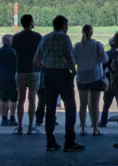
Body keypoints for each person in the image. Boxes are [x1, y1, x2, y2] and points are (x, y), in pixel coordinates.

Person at [34, 16, 83, 151]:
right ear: (63, 26)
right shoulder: (64, 38)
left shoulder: (45, 38)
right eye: (67, 25)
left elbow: (36, 61)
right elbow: (68, 54)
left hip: (49, 75)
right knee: (70, 107)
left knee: (50, 108)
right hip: (63, 74)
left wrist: (46, 68)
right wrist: (73, 70)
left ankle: (50, 141)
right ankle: (69, 141)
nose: (67, 28)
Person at [73, 25, 108, 136]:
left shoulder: (77, 46)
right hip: (95, 77)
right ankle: (95, 128)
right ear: (92, 33)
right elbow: (105, 59)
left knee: (83, 104)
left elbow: (74, 60)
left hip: (81, 77)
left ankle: (83, 128)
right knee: (95, 104)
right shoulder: (98, 45)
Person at [13, 14, 42, 135]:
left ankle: (20, 126)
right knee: (32, 99)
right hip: (34, 70)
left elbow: (15, 51)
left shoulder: (16, 37)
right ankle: (30, 126)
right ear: (31, 23)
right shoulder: (37, 36)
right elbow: (40, 52)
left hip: (20, 69)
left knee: (21, 99)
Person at [0, 35, 18, 127]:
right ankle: (12, 117)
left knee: (3, 98)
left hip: (2, 76)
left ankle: (4, 118)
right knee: (13, 98)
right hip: (13, 76)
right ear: (9, 41)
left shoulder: (0, 50)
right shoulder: (14, 50)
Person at [99, 37, 118, 128]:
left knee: (106, 104)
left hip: (108, 80)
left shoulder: (106, 54)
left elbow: (102, 68)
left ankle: (103, 122)